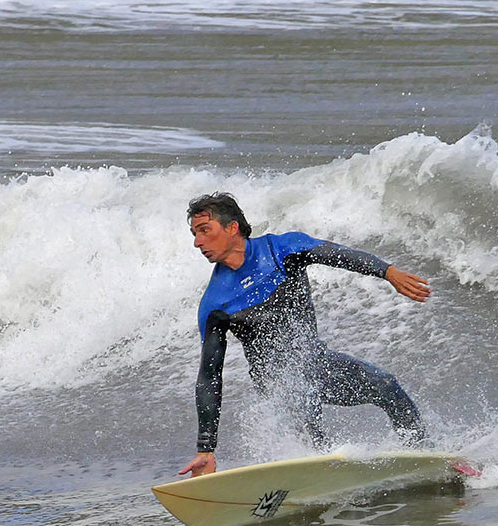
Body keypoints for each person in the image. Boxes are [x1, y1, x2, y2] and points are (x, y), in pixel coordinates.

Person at [179, 192, 431, 478]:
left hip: (316, 365)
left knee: (387, 386)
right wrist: (206, 448)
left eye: (204, 231)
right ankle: (320, 483)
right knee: (310, 433)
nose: (198, 242)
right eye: (194, 234)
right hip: (277, 386)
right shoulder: (216, 303)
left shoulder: (282, 249)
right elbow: (210, 377)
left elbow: (339, 256)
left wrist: (388, 272)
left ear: (232, 227)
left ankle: (424, 456)